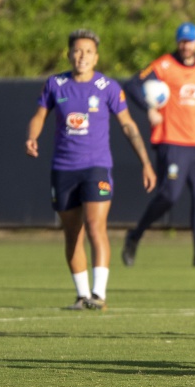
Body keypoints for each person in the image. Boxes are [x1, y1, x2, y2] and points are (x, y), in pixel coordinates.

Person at [25, 28, 157, 310]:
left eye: (87, 51)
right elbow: (38, 116)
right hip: (63, 169)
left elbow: (128, 125)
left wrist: (146, 162)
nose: (81, 56)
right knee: (72, 233)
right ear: (69, 54)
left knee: (96, 227)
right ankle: (82, 295)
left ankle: (99, 295)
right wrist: (32, 137)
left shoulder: (108, 87)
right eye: (77, 50)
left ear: (96, 57)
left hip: (96, 168)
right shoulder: (55, 84)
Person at [121, 22, 195, 268]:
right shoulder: (165, 65)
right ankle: (135, 236)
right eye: (182, 41)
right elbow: (133, 85)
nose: (186, 45)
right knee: (169, 195)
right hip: (172, 141)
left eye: (190, 41)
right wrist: (149, 108)